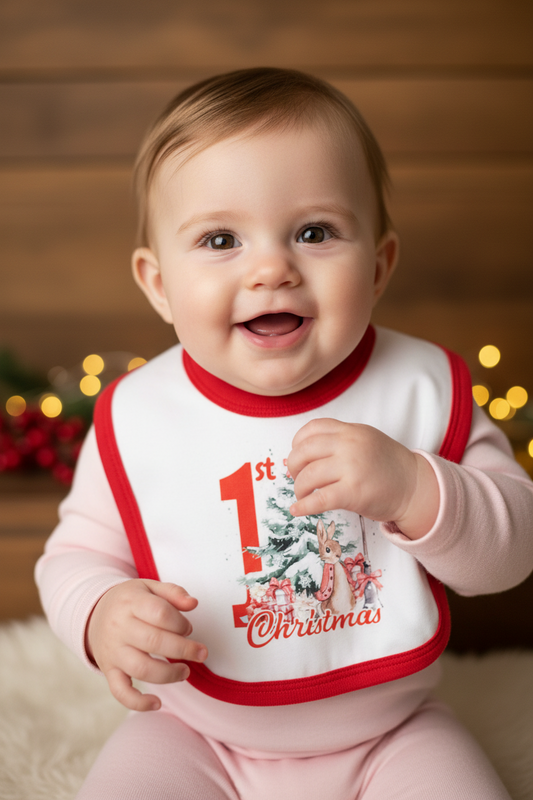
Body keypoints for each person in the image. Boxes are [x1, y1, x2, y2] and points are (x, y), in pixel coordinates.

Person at [36, 68, 533, 799]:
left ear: (378, 263)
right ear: (158, 284)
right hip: (194, 731)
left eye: (314, 232)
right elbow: (72, 557)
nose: (271, 268)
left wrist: (414, 487)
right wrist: (100, 612)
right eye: (219, 239)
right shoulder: (142, 414)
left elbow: (514, 547)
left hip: (391, 730)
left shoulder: (418, 387)